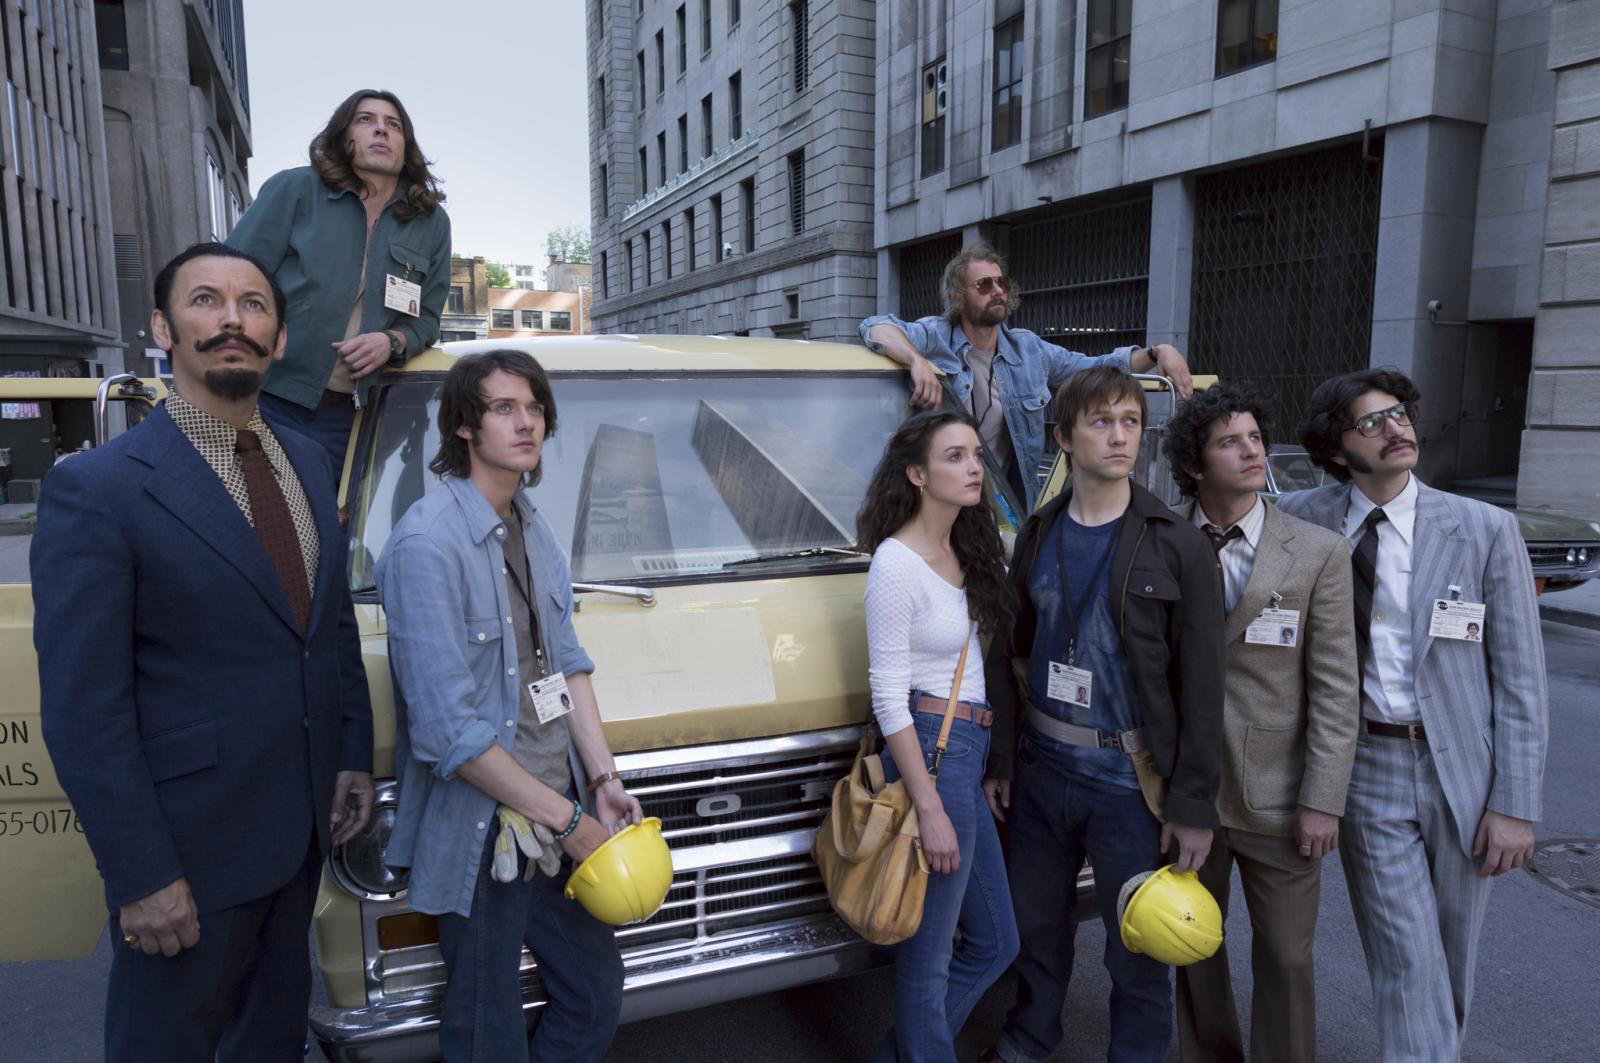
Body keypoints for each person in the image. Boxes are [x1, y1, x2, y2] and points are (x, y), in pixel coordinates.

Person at [31, 242, 374, 1062]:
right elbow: (85, 710)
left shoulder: (308, 458)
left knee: (270, 1044)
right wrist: (141, 874)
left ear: (279, 338)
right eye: (206, 301)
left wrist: (351, 753)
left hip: (298, 837)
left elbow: (328, 625)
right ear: (163, 328)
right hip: (187, 859)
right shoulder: (100, 488)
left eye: (254, 305)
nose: (232, 321)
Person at [377, 349, 642, 1062]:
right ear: (465, 425)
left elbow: (568, 663)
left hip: (559, 803)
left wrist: (603, 779)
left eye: (534, 409)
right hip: (486, 824)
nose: (526, 423)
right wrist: (570, 823)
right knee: (485, 1026)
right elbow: (447, 734)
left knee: (594, 992)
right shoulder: (426, 544)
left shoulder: (532, 525)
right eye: (503, 408)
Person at [1276, 368, 1548, 1062]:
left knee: (1449, 959)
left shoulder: (1484, 529)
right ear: (1336, 448)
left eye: (1399, 413)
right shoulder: (1303, 518)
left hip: (1465, 774)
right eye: (1371, 422)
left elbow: (1520, 679)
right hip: (1367, 765)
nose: (1395, 429)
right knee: (1405, 954)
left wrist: (1515, 804)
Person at [982, 366, 1225, 1063]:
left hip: (1129, 781)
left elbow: (1203, 686)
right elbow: (1009, 651)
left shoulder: (1176, 542)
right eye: (1101, 422)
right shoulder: (1039, 532)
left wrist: (1193, 803)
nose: (1120, 437)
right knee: (1036, 929)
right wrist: (1003, 758)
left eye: (1130, 422)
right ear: (1063, 437)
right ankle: (1029, 1037)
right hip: (1041, 772)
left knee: (1137, 947)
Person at [1161, 385, 1360, 1063]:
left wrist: (1323, 799)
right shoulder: (1161, 537)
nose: (1252, 451)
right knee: (1192, 943)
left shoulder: (1318, 551)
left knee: (1287, 954)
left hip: (1279, 793)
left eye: (1255, 438)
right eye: (1230, 442)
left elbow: (1336, 687)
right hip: (1186, 790)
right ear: (1195, 465)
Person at [858, 409, 1020, 1063]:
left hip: (963, 751)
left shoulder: (967, 547)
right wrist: (928, 806)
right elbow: (887, 697)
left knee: (996, 941)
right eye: (955, 456)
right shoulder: (896, 564)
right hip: (931, 753)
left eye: (976, 454)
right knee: (929, 957)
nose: (974, 467)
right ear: (917, 475)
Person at [859, 242, 1194, 512]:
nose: (997, 291)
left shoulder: (1028, 349)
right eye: (984, 285)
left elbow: (1098, 366)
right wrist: (916, 361)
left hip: (1005, 502)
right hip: (937, 497)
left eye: (1001, 283)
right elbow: (875, 326)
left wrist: (1156, 353)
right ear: (956, 298)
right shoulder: (935, 336)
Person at [229, 89, 452, 472]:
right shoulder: (295, 189)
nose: (380, 130)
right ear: (343, 135)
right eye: (366, 120)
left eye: (393, 125)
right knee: (261, 505)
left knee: (334, 510)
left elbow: (427, 321)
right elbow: (232, 281)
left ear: (406, 146)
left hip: (357, 414)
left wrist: (392, 341)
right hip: (269, 397)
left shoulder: (431, 222)